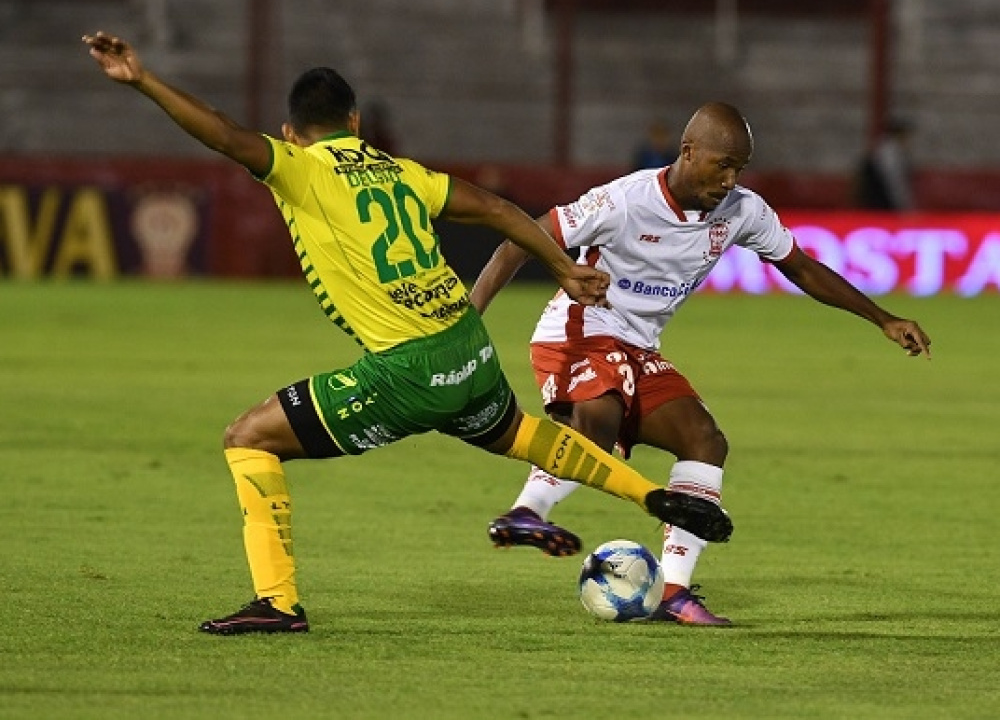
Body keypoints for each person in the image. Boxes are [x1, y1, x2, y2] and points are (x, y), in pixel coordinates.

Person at [82, 32, 733, 635]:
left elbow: (223, 135)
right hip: (468, 347)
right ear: (355, 122)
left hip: (409, 369)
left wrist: (143, 79)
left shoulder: (298, 167)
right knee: (521, 434)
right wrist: (562, 267)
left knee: (247, 437)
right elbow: (498, 209)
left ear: (290, 133)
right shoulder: (403, 172)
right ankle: (653, 495)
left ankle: (276, 601)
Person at [471, 102, 931, 626]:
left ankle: (673, 591)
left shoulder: (742, 211)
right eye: (723, 165)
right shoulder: (624, 200)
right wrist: (470, 318)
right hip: (580, 331)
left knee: (704, 441)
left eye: (740, 169)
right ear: (688, 152)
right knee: (600, 418)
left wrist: (882, 318)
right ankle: (527, 512)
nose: (730, 180)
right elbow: (520, 240)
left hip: (640, 348)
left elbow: (801, 268)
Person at [855, 117, 916, 211]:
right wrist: (906, 208)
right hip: (880, 203)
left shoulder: (883, 148)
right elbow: (895, 183)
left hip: (876, 200)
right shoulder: (890, 152)